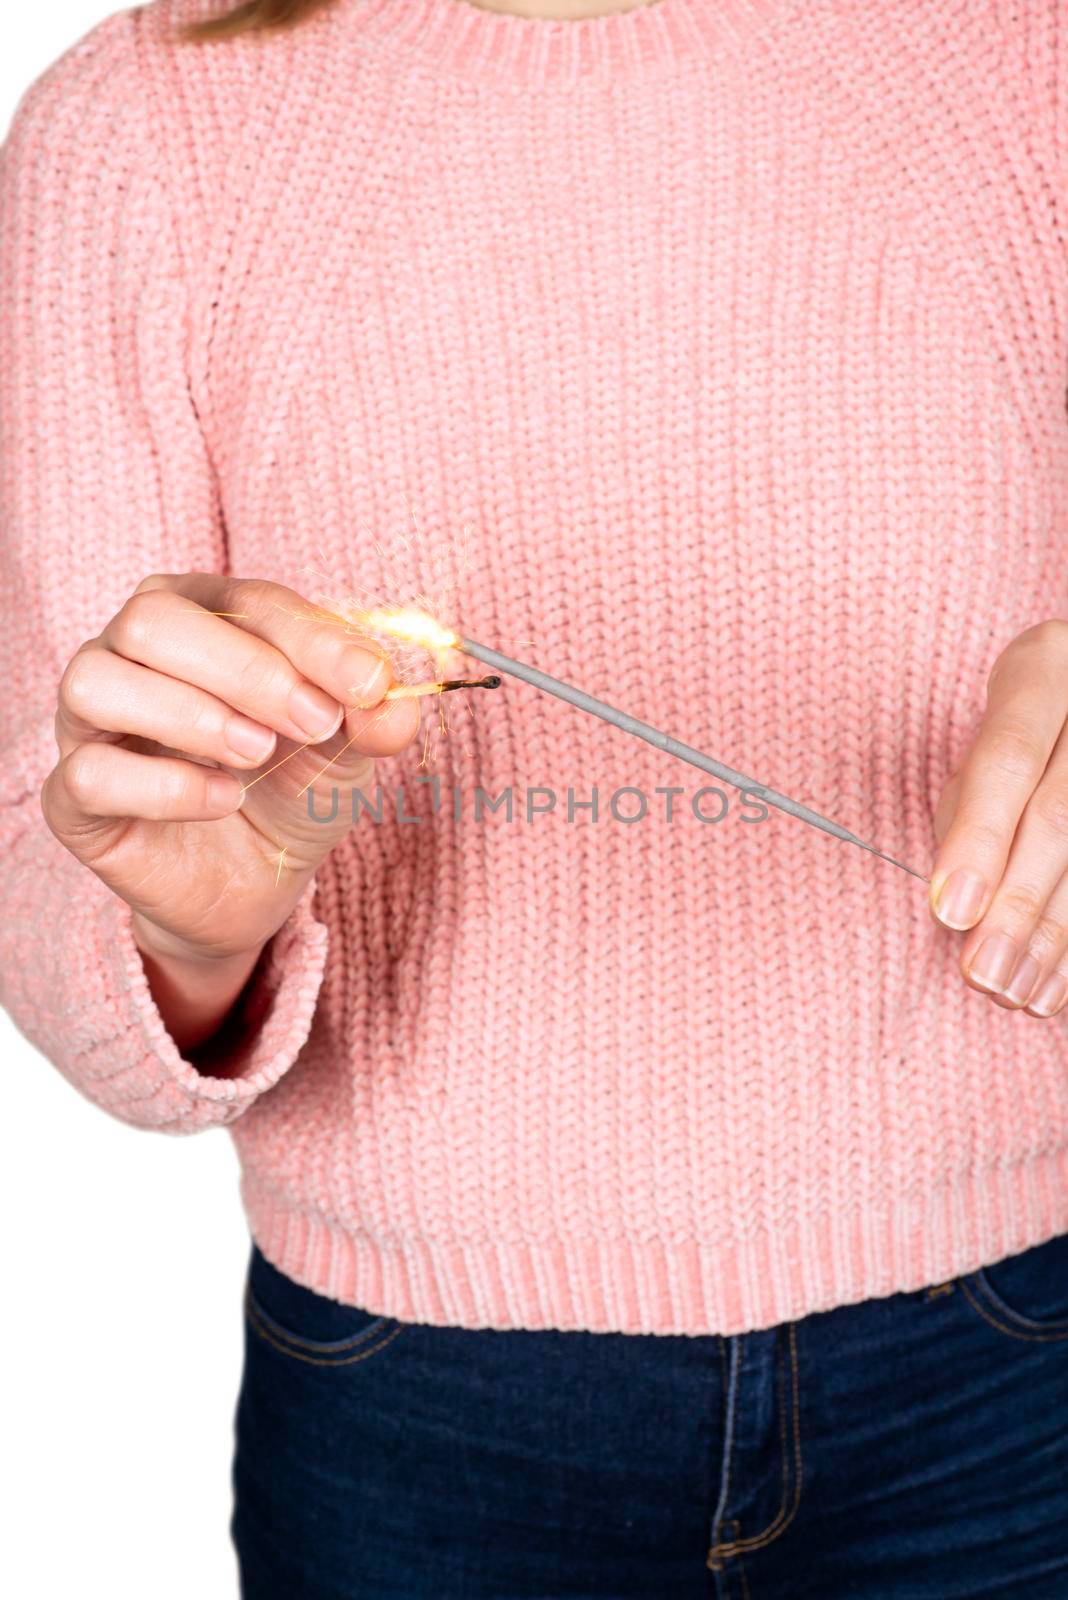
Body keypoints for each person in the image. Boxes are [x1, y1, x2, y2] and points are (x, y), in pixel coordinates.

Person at [2, 0, 1067, 1593]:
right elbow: (53, 870)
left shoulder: (1032, 55)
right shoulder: (144, 132)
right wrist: (184, 931)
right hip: (418, 1407)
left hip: (1013, 1361)